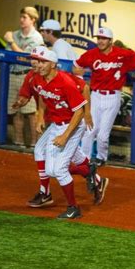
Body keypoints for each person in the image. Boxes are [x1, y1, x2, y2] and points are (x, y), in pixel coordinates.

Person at [73, 27, 135, 166]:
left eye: (104, 38)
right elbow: (75, 65)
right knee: (89, 131)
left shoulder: (123, 54)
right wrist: (78, 75)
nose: (100, 41)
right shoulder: (91, 54)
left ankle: (101, 158)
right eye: (98, 38)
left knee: (102, 136)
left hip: (113, 97)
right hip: (95, 96)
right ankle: (84, 160)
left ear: (110, 40)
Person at [31, 47, 88, 219]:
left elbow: (79, 112)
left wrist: (65, 136)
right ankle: (87, 170)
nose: (38, 64)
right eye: (37, 61)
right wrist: (41, 116)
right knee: (50, 171)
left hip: (74, 125)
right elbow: (42, 96)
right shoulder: (38, 79)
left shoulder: (66, 83)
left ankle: (74, 208)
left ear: (53, 64)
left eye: (43, 61)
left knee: (60, 170)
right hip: (56, 125)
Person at [3, 6, 44, 148]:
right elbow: (8, 54)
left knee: (30, 113)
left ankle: (34, 144)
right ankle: (18, 142)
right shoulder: (15, 34)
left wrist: (11, 42)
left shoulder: (36, 37)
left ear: (33, 20)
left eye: (24, 17)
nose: (21, 20)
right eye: (20, 17)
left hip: (28, 76)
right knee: (15, 111)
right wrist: (11, 42)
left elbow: (25, 57)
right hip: (13, 75)